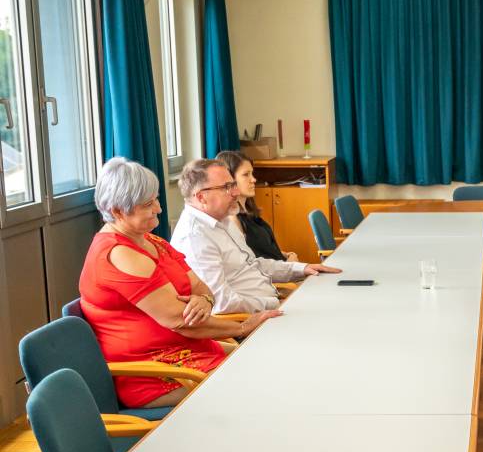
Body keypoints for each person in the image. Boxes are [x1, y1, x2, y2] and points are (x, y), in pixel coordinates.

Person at [79, 157, 281, 409]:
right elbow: (181, 321)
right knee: (261, 380)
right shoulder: (120, 254)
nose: (158, 208)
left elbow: (200, 287)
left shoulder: (152, 241)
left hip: (190, 351)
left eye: (156, 199)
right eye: (148, 204)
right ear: (119, 211)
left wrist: (204, 299)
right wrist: (241, 328)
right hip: (156, 371)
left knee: (271, 359)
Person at [170, 159, 341, 314]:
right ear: (201, 197)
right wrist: (276, 304)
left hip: (269, 305)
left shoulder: (223, 220)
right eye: (226, 187)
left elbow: (254, 264)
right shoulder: (195, 238)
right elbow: (222, 303)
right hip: (251, 321)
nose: (236, 192)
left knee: (334, 300)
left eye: (233, 184)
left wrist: (301, 269)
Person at [214, 150, 297, 262]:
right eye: (246, 175)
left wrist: (283, 255)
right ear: (230, 179)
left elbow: (260, 250)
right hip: (275, 272)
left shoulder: (249, 212)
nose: (253, 179)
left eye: (252, 174)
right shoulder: (233, 219)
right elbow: (247, 261)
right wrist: (289, 265)